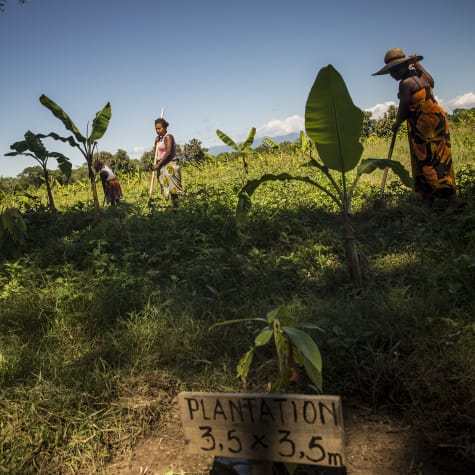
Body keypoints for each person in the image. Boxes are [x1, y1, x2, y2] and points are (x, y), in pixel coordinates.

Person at [373, 48, 466, 209]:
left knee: (425, 161)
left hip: (423, 125)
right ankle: (444, 198)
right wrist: (419, 66)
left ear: (403, 66)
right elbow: (432, 82)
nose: (392, 74)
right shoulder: (420, 76)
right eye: (390, 71)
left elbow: (403, 109)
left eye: (394, 70)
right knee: (441, 158)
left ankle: (436, 199)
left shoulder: (405, 83)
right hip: (439, 120)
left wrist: (396, 124)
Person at [152, 118, 185, 207]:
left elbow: (168, 152)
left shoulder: (168, 136)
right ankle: (173, 207)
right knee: (165, 187)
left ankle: (180, 208)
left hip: (170, 164)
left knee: (174, 188)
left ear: (165, 127)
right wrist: (156, 142)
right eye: (156, 129)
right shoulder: (160, 139)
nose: (157, 130)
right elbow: (157, 152)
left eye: (159, 128)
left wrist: (158, 164)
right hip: (162, 165)